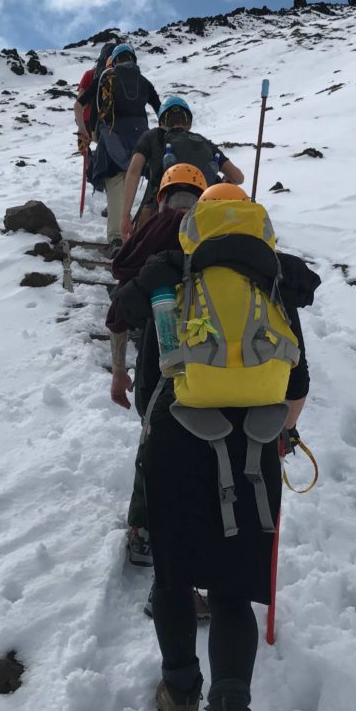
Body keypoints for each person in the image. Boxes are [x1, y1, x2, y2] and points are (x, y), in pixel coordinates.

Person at [112, 183, 319, 711]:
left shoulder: (172, 275)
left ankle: (179, 696)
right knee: (231, 590)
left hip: (179, 434)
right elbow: (299, 380)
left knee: (174, 579)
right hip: (254, 444)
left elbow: (141, 350)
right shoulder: (275, 279)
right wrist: (280, 438)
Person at [106, 163, 209, 569]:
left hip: (160, 350)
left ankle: (144, 530)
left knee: (155, 438)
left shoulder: (157, 228)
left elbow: (120, 300)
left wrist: (118, 370)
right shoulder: (222, 234)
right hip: (218, 356)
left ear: (162, 196)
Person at [119, 96, 244, 242]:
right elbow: (238, 177)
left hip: (158, 212)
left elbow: (134, 170)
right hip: (200, 215)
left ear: (162, 119)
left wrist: (125, 215)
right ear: (188, 122)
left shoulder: (151, 136)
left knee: (140, 251)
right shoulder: (202, 142)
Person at [77, 43, 160, 252]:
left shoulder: (106, 78)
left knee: (115, 184)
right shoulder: (143, 81)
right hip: (140, 139)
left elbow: (79, 105)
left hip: (110, 138)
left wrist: (84, 131)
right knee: (132, 180)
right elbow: (160, 109)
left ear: (113, 61)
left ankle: (116, 239)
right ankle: (137, 231)